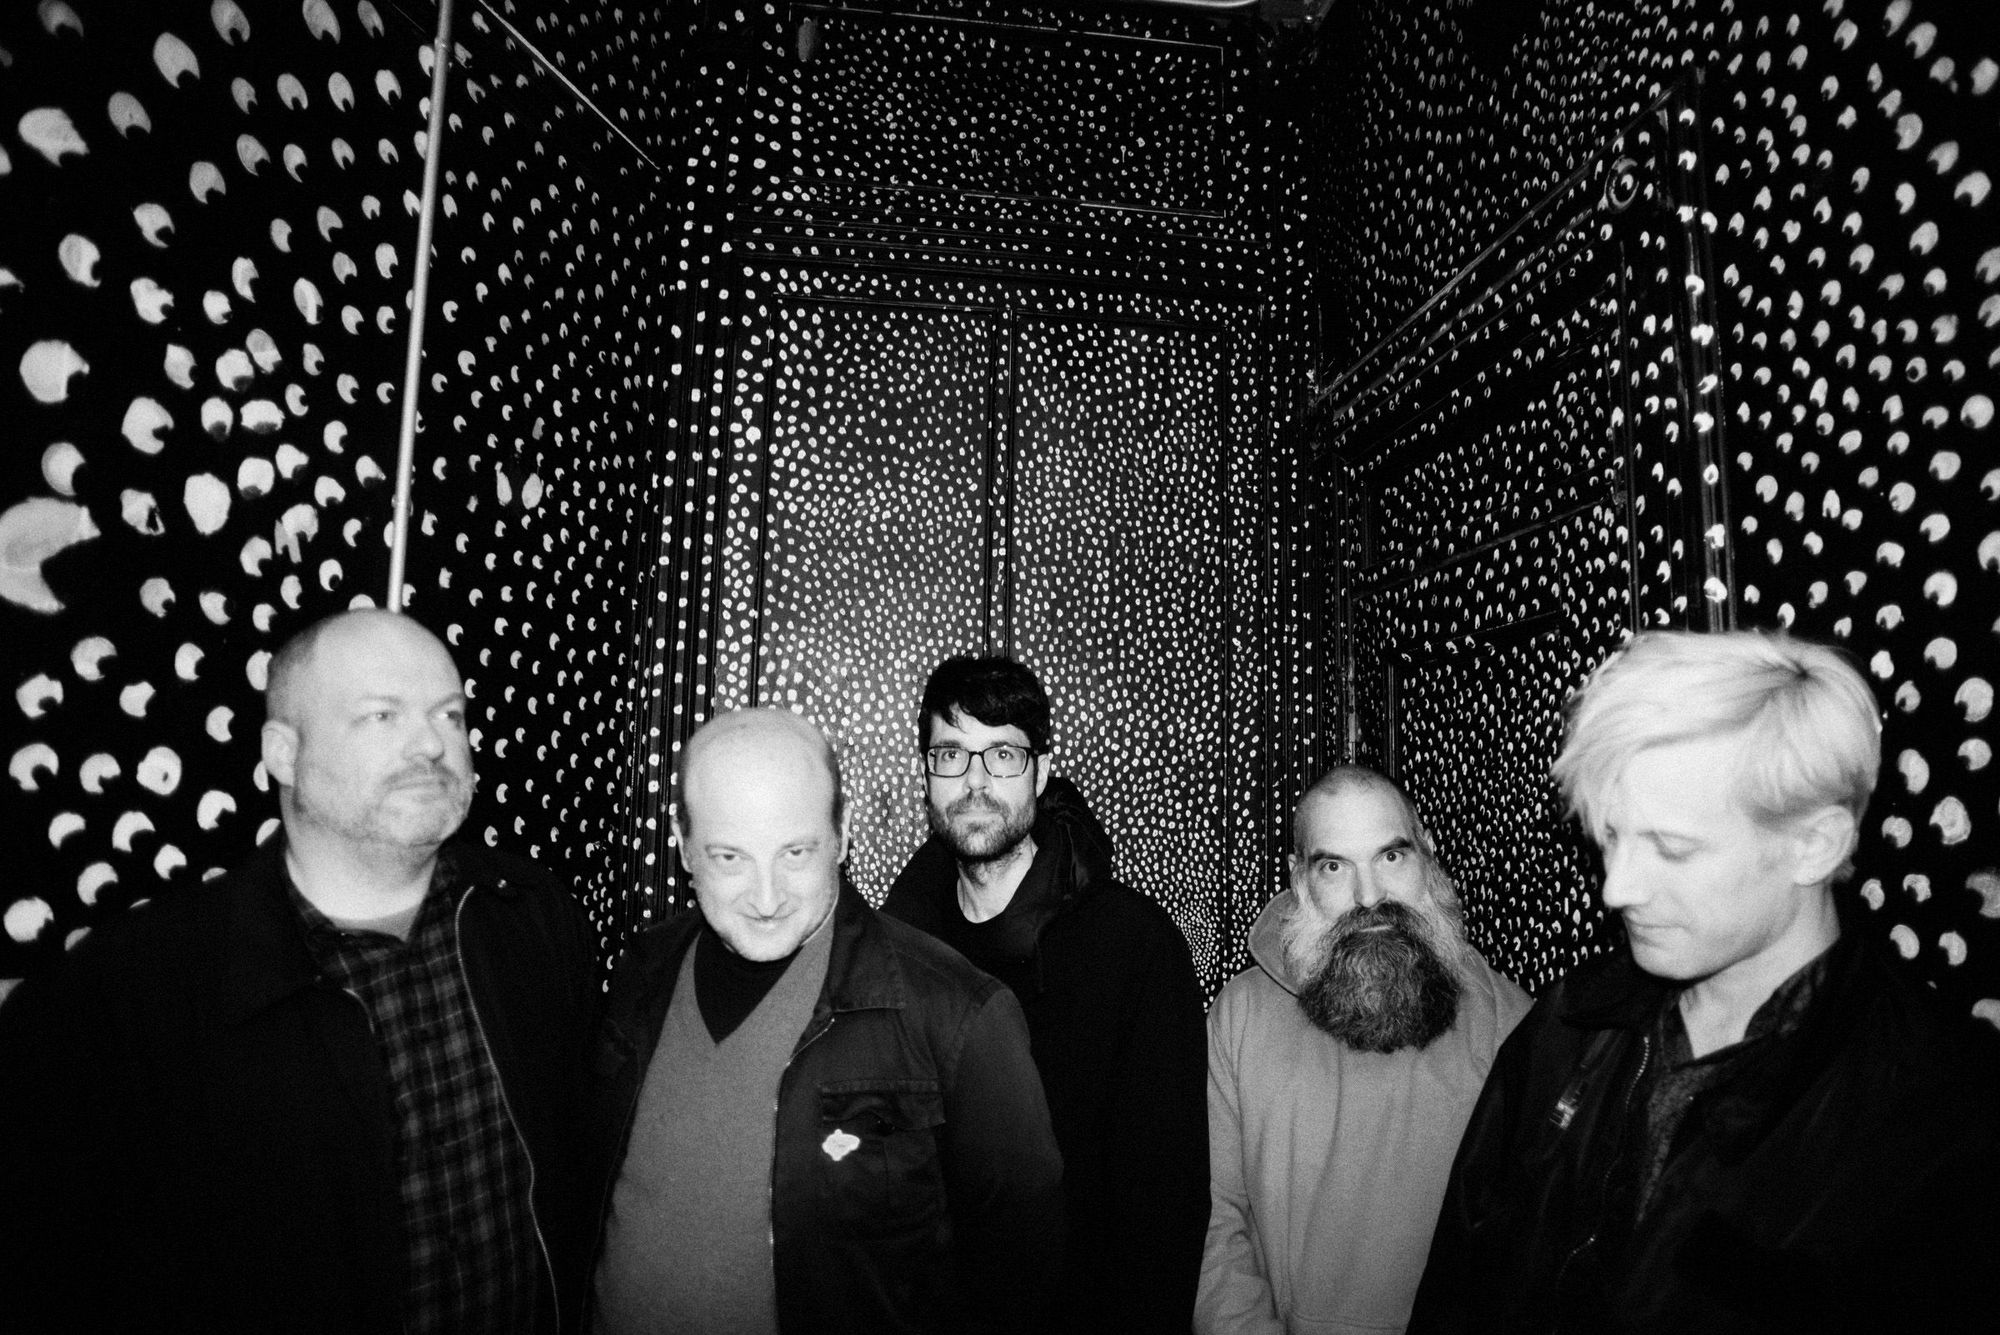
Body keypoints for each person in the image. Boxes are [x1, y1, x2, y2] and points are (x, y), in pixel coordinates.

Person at [0, 609, 598, 1334]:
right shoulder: (134, 992)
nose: (432, 743)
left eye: (450, 714)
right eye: (382, 715)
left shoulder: (530, 916)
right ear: (283, 752)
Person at [1410, 630, 2000, 1333]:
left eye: (1671, 848)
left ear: (1815, 845)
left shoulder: (1941, 1116)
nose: (1617, 888)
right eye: (1611, 838)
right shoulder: (1568, 1024)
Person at [583, 706, 1065, 1334]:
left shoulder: (961, 1017)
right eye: (729, 857)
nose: (766, 898)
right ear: (681, 842)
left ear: (842, 831)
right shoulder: (640, 973)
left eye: (795, 852)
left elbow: (1024, 1283)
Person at [882, 655, 1209, 1335]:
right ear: (926, 773)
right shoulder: (893, 953)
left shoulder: (1133, 947)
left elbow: (1164, 1209)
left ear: (1041, 770)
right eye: (951, 754)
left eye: (1002, 754)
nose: (975, 782)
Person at [1198, 764, 1531, 1334]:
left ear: (1427, 852)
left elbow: (1533, 1254)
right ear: (1299, 878)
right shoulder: (1239, 1015)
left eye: (1391, 856)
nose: (1369, 895)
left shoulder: (1514, 1025)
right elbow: (1212, 1221)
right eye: (1334, 866)